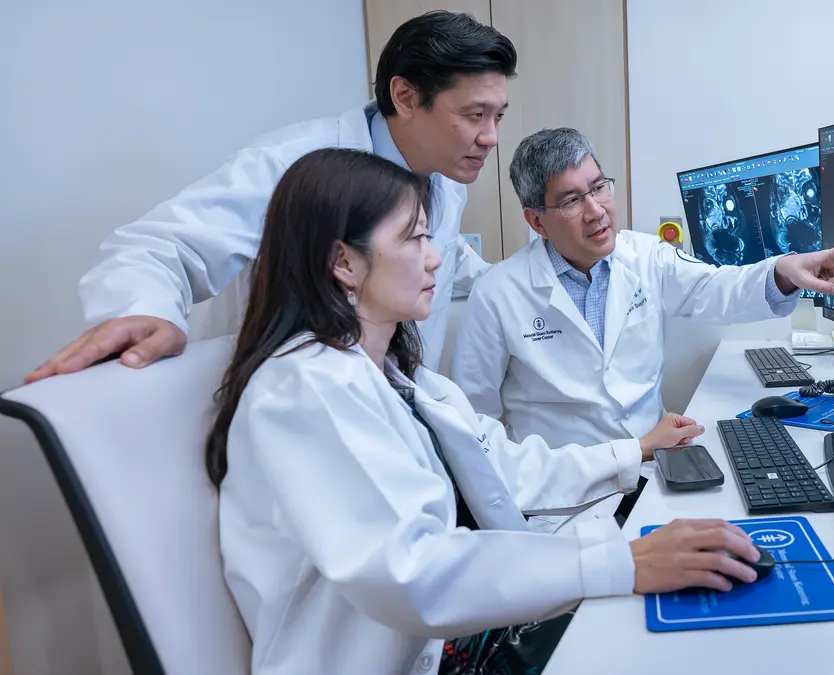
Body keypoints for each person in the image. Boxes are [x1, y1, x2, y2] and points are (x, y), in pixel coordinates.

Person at [210, 148, 759, 675]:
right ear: (343, 262)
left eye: (429, 235)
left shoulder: (405, 381)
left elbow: (509, 466)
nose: (435, 257)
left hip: (455, 621)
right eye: (414, 238)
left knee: (700, 611)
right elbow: (414, 572)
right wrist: (623, 562)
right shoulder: (307, 388)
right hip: (407, 653)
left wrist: (633, 453)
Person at [25, 10, 508, 384]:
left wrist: (517, 281)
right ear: (404, 96)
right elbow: (161, 246)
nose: (490, 137)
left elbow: (440, 253)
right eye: (474, 114)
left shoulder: (442, 179)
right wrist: (145, 309)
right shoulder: (290, 165)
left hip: (392, 407)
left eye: (498, 117)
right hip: (301, 413)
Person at [450, 128, 834, 475]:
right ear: (536, 220)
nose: (596, 210)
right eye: (572, 200)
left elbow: (717, 288)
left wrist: (783, 271)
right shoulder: (498, 293)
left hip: (655, 469)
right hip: (561, 495)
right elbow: (474, 426)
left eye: (599, 188)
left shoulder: (646, 256)